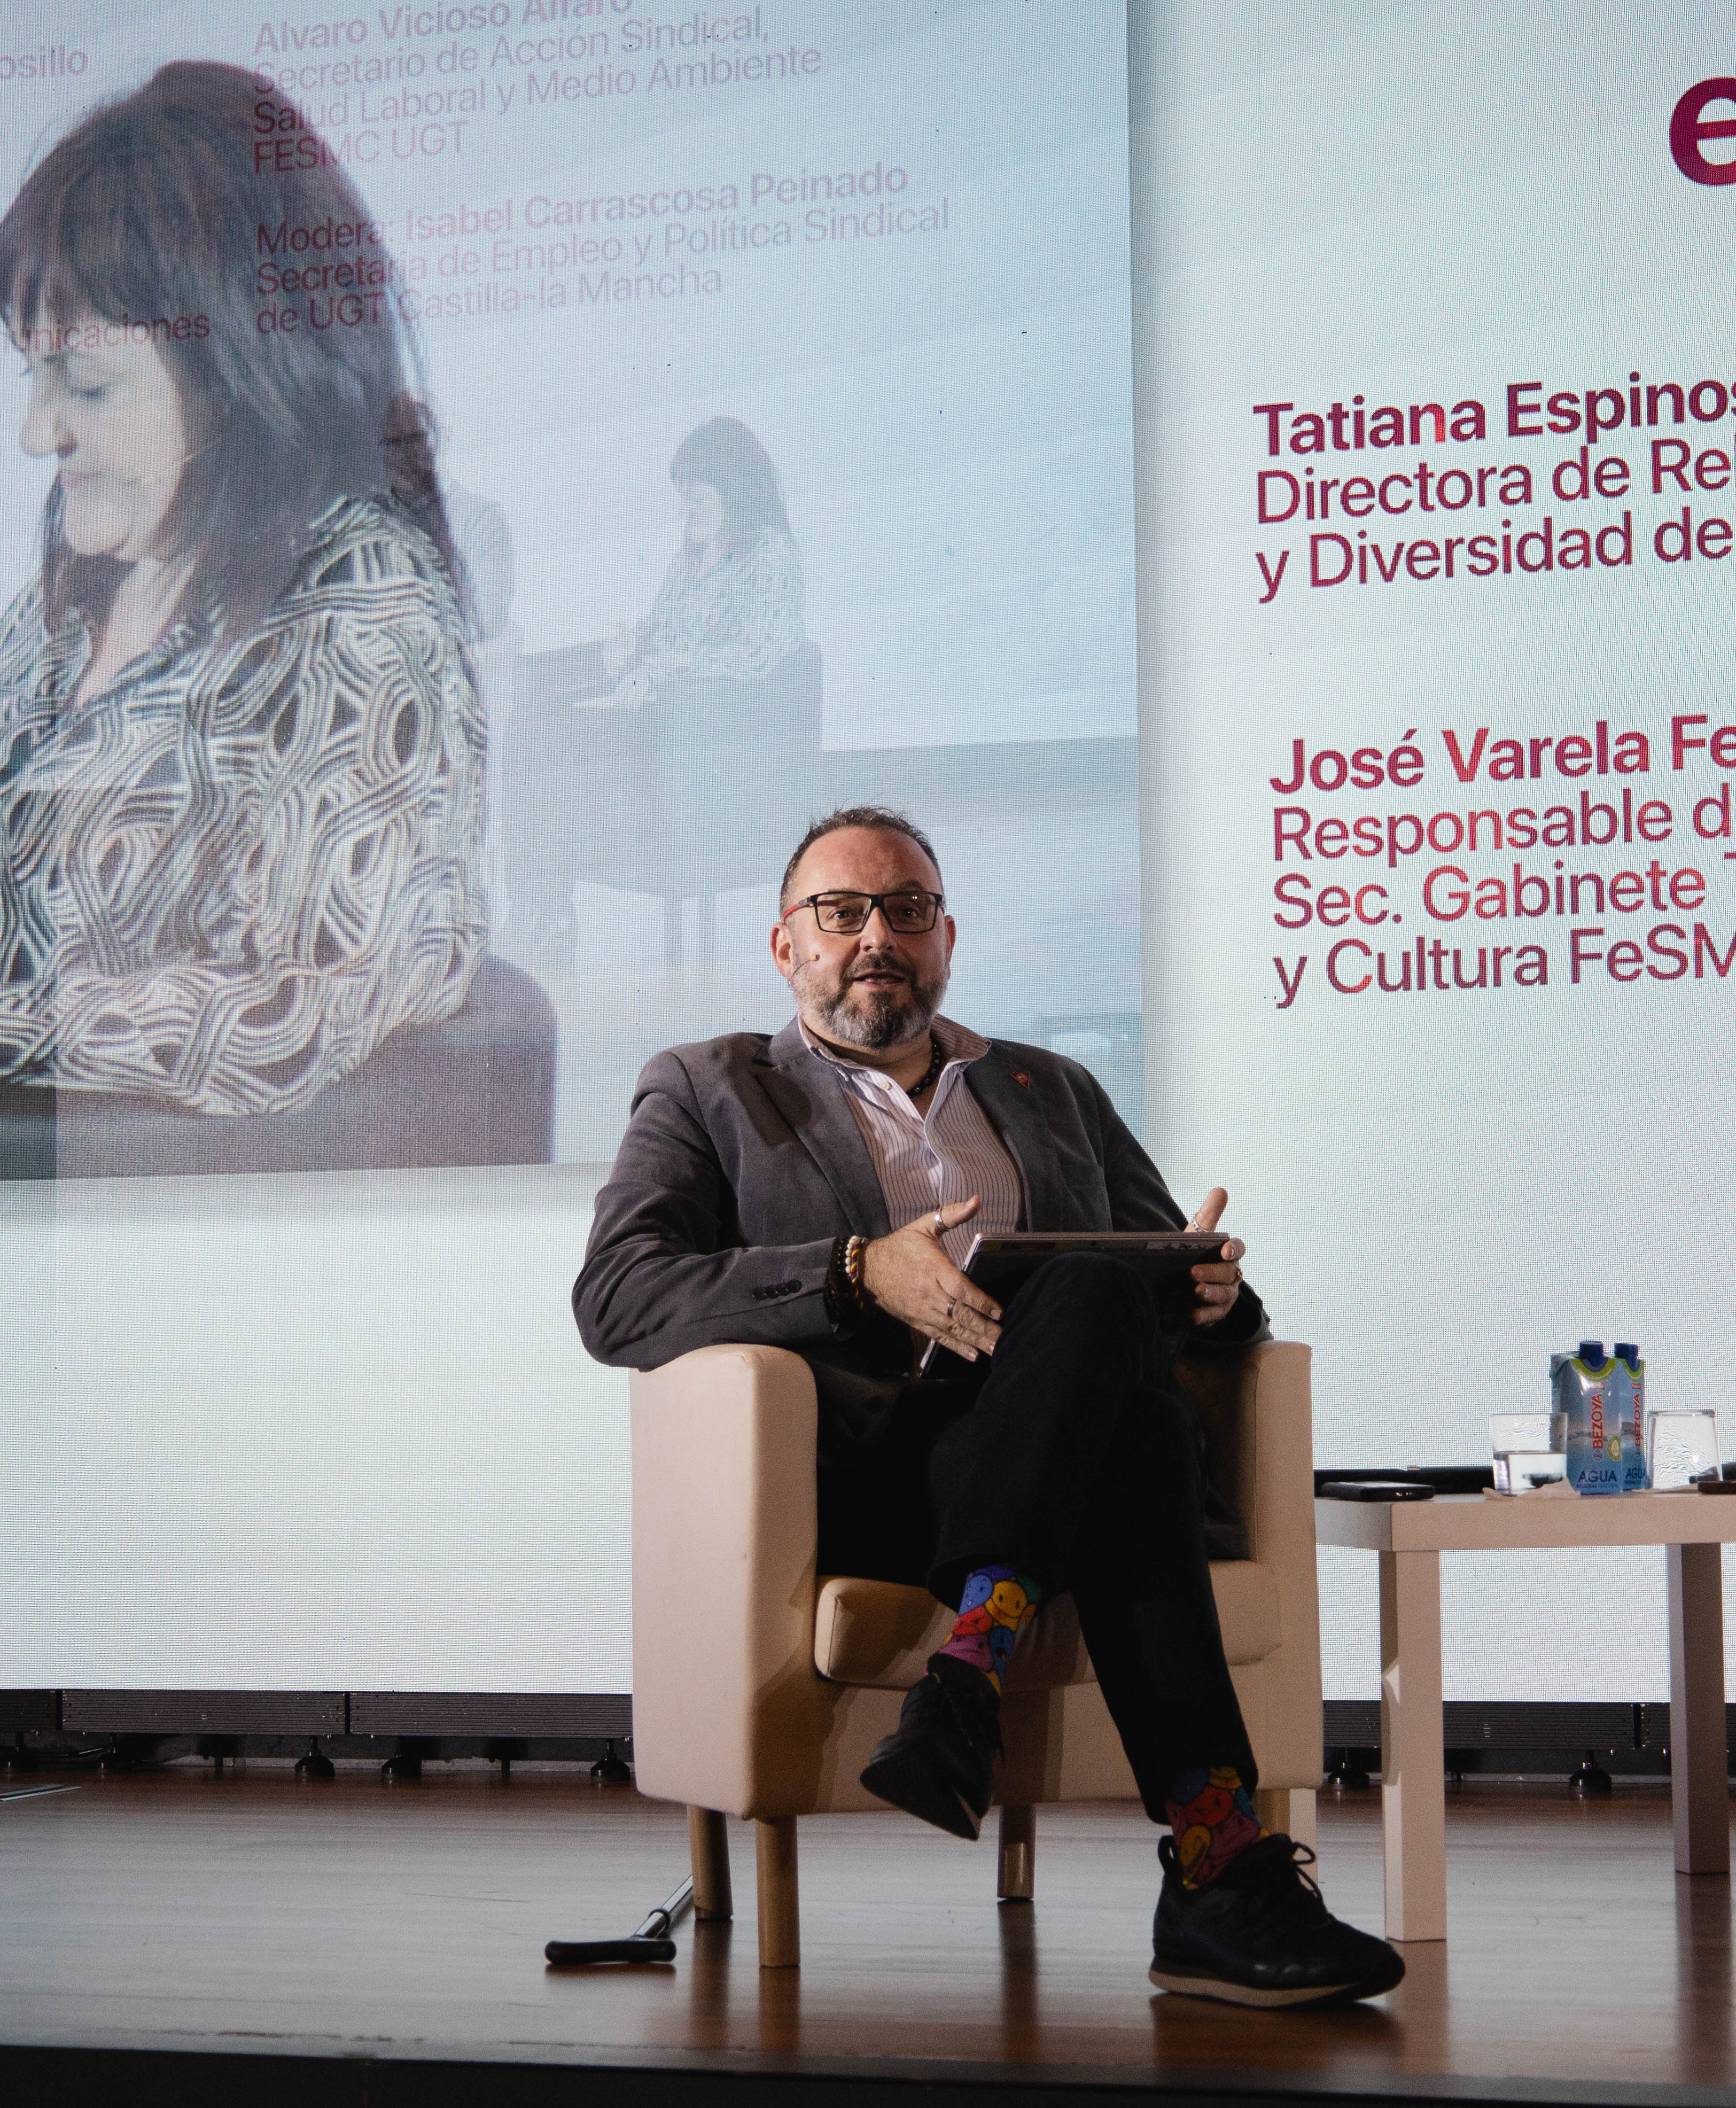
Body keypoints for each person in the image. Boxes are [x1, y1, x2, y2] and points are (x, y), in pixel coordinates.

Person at [574, 805, 1403, 2010]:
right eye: (841, 911)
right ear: (783, 945)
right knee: (1131, 1406)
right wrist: (858, 1273)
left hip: (1053, 1465)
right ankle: (1217, 1871)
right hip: (870, 1480)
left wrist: (1217, 1291)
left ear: (947, 937)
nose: (876, 935)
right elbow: (618, 1295)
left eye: (906, 909)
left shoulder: (1046, 1086)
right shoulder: (711, 1087)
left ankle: (971, 1676)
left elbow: (1166, 1276)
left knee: (1101, 1303)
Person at [0, 60, 486, 1185]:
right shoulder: (78, 591)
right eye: (32, 376)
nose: (35, 432)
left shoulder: (364, 611)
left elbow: (286, 1003)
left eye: (86, 386)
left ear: (239, 367)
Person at [588, 416, 804, 709]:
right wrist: (631, 648)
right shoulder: (688, 560)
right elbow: (662, 631)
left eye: (698, 499)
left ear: (736, 496)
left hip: (735, 723)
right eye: (684, 499)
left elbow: (756, 653)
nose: (686, 512)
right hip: (678, 714)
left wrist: (658, 670)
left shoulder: (772, 556)